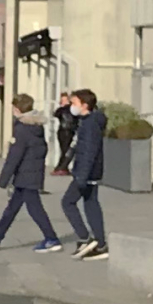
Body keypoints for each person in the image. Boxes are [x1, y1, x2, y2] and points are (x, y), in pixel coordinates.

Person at [0, 94, 64, 252]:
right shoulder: (36, 127)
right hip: (32, 172)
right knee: (13, 207)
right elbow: (41, 149)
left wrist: (3, 180)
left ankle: (52, 238)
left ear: (17, 109)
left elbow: (14, 156)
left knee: (35, 209)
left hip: (25, 175)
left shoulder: (22, 129)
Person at [63, 88, 108, 260]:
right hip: (90, 172)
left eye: (74, 103)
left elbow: (89, 151)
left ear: (85, 105)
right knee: (91, 204)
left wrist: (81, 175)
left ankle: (84, 238)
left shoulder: (89, 124)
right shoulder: (88, 121)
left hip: (86, 172)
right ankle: (101, 244)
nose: (71, 107)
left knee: (67, 202)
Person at [51, 95, 77, 174]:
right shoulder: (62, 109)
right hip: (63, 131)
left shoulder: (72, 109)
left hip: (70, 131)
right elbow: (56, 114)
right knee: (64, 149)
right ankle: (61, 167)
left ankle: (62, 167)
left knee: (67, 150)